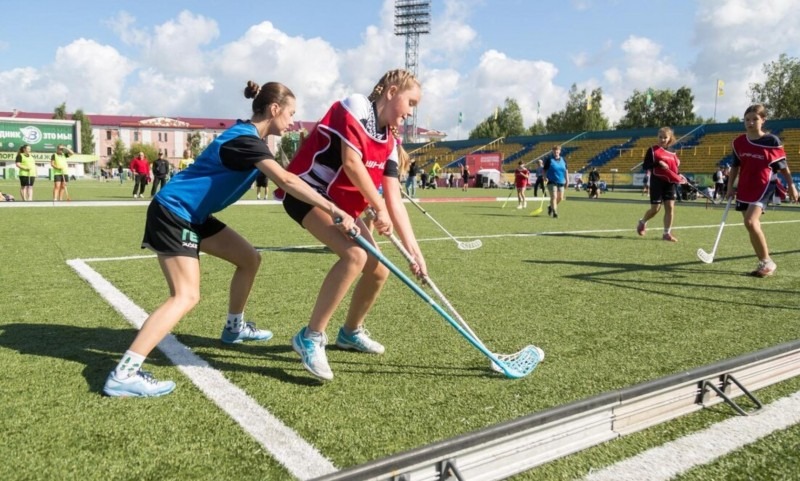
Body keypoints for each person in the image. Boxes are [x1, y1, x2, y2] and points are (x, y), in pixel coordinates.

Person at [101, 80, 357, 397]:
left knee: (249, 259)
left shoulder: (252, 139)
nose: (293, 121)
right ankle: (124, 373)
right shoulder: (245, 141)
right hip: (173, 212)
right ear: (274, 109)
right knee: (186, 296)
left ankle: (234, 328)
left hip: (193, 216)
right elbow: (287, 180)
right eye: (291, 113)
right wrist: (334, 209)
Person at [276, 68, 427, 381]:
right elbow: (351, 162)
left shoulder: (391, 141)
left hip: (341, 206)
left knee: (378, 268)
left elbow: (395, 200)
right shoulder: (356, 106)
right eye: (410, 102)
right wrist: (378, 207)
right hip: (307, 193)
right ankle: (311, 336)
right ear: (391, 91)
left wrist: (415, 253)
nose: (411, 112)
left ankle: (350, 332)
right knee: (355, 256)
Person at [726, 104, 798, 278]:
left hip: (765, 185)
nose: (750, 123)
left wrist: (791, 185)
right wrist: (730, 187)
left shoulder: (772, 141)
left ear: (763, 120)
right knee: (752, 226)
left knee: (750, 222)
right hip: (745, 186)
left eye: (755, 119)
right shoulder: (738, 142)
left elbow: (783, 168)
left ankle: (768, 261)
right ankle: (764, 262)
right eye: (747, 119)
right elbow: (735, 166)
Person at [636, 127, 686, 242]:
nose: (662, 139)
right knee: (655, 209)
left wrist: (678, 166)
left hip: (670, 183)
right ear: (657, 137)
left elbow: (674, 168)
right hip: (657, 182)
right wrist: (658, 163)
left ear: (670, 139)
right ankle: (642, 222)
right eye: (660, 137)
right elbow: (645, 166)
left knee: (670, 207)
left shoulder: (673, 151)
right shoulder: (652, 150)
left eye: (665, 137)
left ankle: (666, 233)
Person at [543, 145, 569, 218]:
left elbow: (566, 171)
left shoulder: (563, 160)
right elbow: (544, 170)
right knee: (554, 196)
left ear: (559, 151)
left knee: (560, 198)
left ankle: (551, 207)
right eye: (554, 151)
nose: (556, 152)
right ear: (552, 151)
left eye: (557, 151)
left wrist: (567, 180)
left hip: (561, 181)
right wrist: (545, 177)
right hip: (551, 181)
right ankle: (555, 212)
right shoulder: (549, 160)